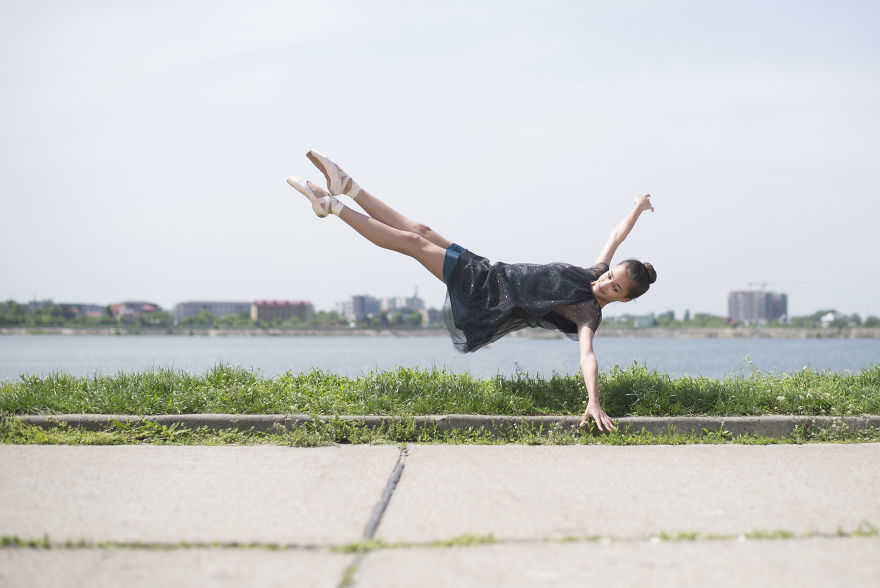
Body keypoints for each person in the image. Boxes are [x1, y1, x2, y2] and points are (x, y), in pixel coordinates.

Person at [287, 150, 656, 432]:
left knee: (411, 242)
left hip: (487, 293)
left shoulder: (587, 311)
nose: (604, 282)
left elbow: (588, 356)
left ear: (623, 299)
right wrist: (637, 209)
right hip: (491, 270)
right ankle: (346, 187)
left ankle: (332, 206)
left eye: (614, 287)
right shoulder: (597, 272)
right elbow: (615, 236)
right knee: (424, 231)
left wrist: (594, 401)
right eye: (611, 275)